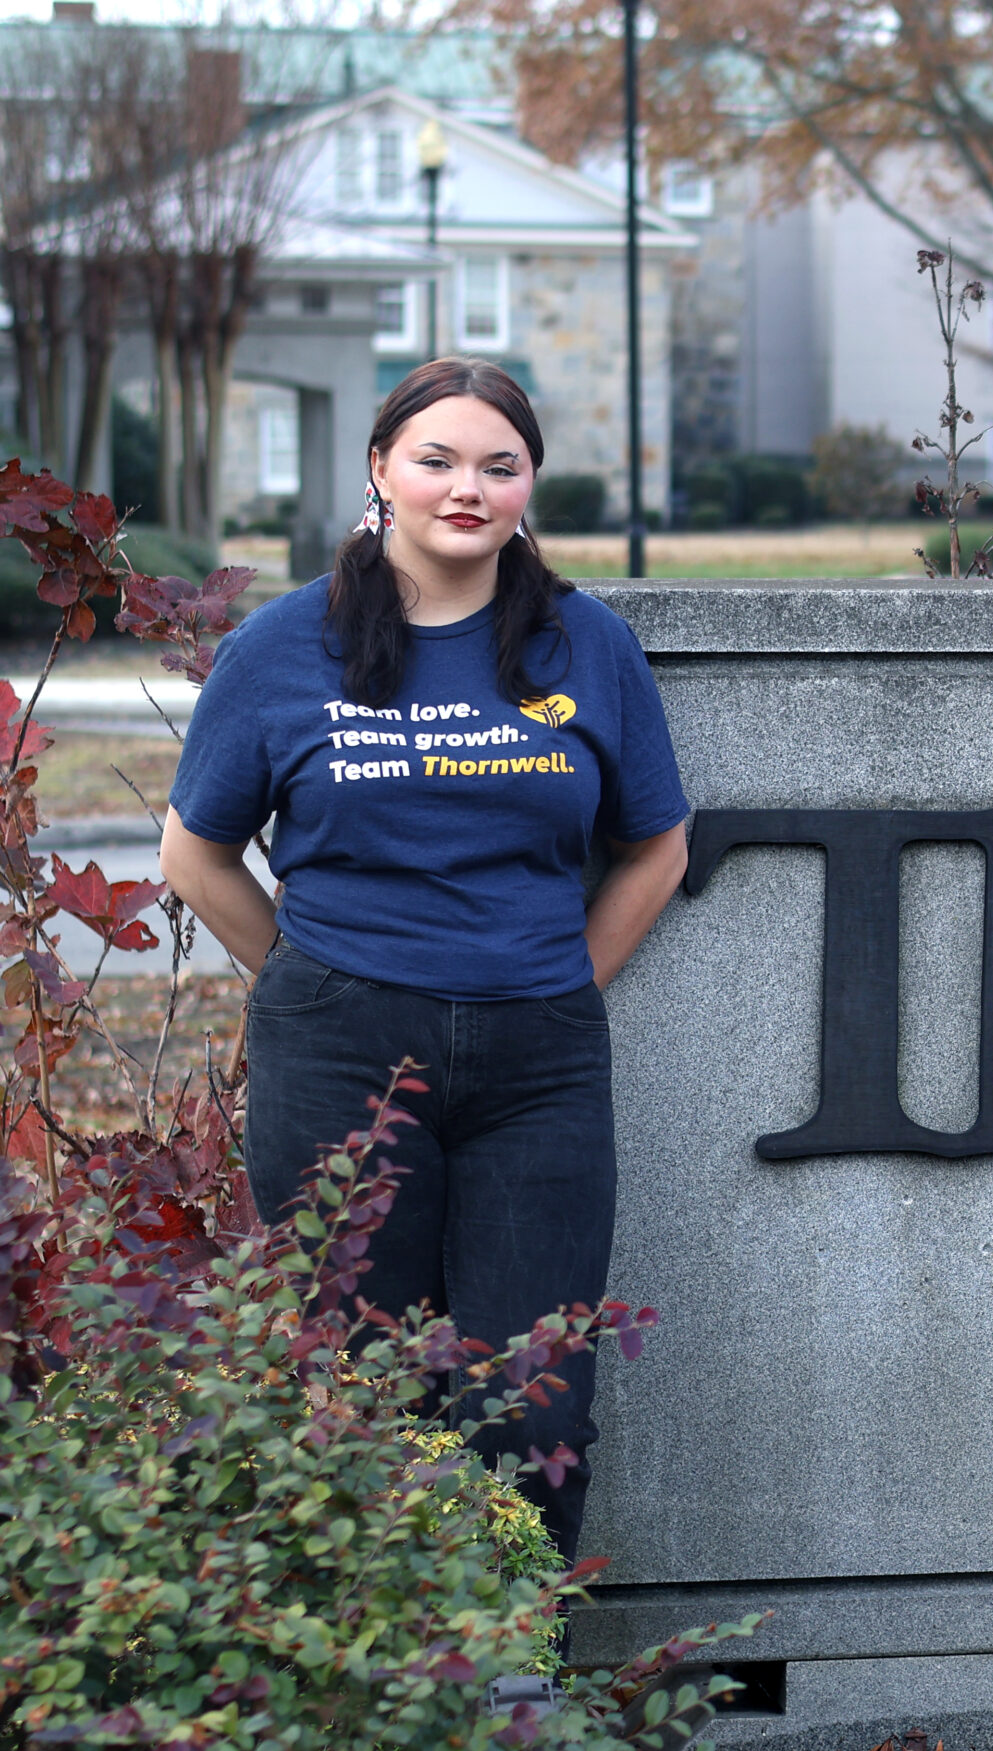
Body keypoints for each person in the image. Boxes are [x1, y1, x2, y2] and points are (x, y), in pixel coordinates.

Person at [162, 357, 690, 1557]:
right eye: (437, 459)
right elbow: (195, 855)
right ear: (379, 472)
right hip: (339, 1054)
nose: (468, 488)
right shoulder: (287, 645)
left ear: (529, 485)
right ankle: (375, 1698)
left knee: (534, 1391)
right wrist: (312, 982)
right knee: (357, 1384)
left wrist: (559, 981)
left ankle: (513, 1694)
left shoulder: (586, 646)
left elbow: (657, 847)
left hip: (538, 1063)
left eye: (499, 465)